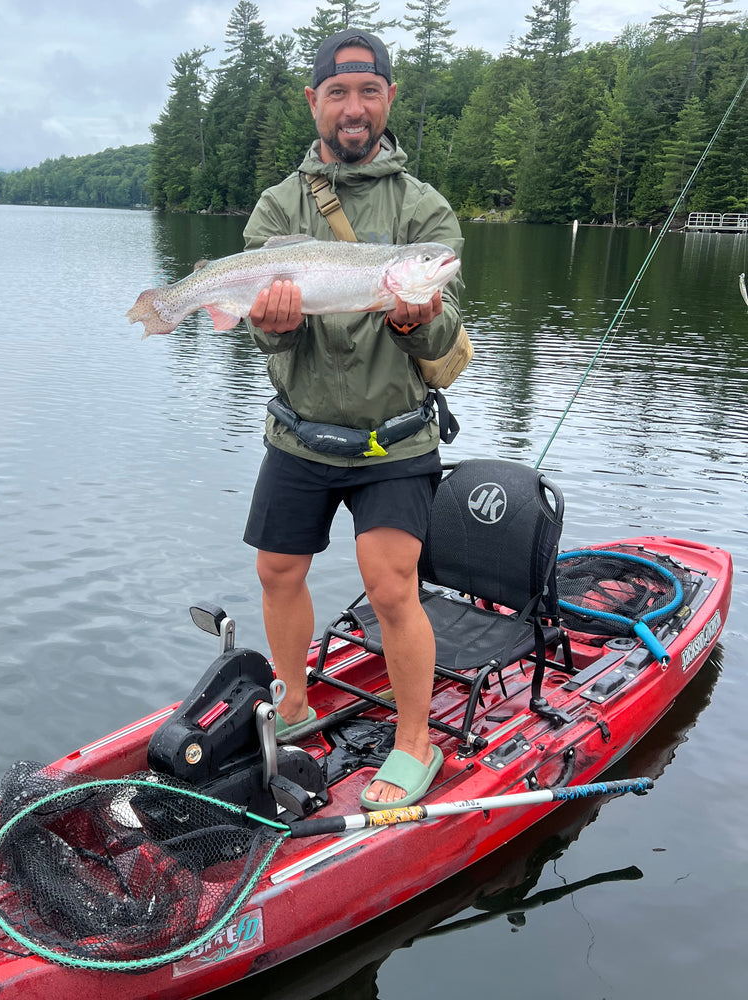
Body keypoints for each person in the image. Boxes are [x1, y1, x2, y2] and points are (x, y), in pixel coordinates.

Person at [241, 28, 465, 808]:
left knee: (391, 583)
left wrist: (412, 317)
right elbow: (269, 342)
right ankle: (295, 705)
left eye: (368, 91)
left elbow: (443, 337)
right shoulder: (278, 207)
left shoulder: (424, 209)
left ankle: (414, 744)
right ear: (315, 103)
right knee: (276, 570)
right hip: (301, 431)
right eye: (338, 92)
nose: (354, 107)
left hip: (394, 435)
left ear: (388, 99)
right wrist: (269, 319)